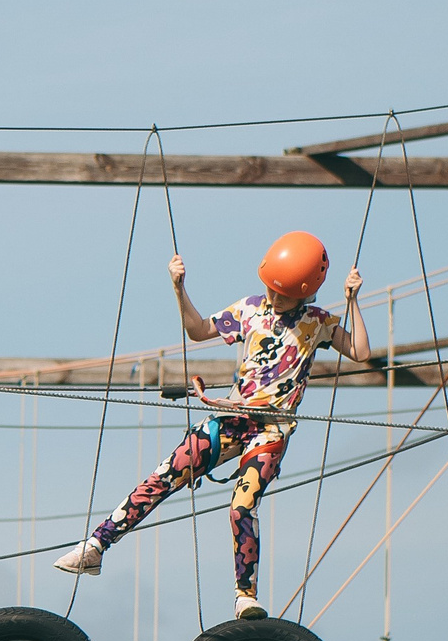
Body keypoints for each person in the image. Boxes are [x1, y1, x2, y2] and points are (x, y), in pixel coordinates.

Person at [56, 230, 372, 621]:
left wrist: (352, 301)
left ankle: (245, 595)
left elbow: (359, 351)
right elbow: (198, 330)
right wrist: (179, 288)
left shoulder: (319, 322)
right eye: (270, 289)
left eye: (283, 294)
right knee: (166, 474)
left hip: (270, 431)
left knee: (242, 506)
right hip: (231, 417)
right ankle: (97, 546)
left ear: (305, 291)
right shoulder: (250, 309)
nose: (274, 299)